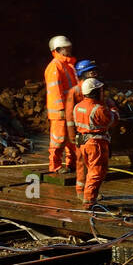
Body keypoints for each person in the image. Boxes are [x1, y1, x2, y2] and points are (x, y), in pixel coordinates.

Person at [72, 79, 118, 207]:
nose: (103, 92)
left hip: (83, 142)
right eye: (101, 90)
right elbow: (113, 120)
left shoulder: (78, 107)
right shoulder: (99, 109)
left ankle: (87, 195)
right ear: (95, 92)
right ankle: (89, 200)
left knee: (90, 170)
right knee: (97, 172)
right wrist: (113, 107)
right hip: (95, 144)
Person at [44, 36, 78, 174]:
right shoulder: (55, 66)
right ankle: (55, 166)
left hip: (70, 109)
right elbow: (55, 90)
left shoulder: (67, 65)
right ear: (58, 49)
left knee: (71, 138)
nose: (69, 50)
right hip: (60, 112)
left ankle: (72, 164)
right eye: (66, 48)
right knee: (58, 139)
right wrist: (61, 109)